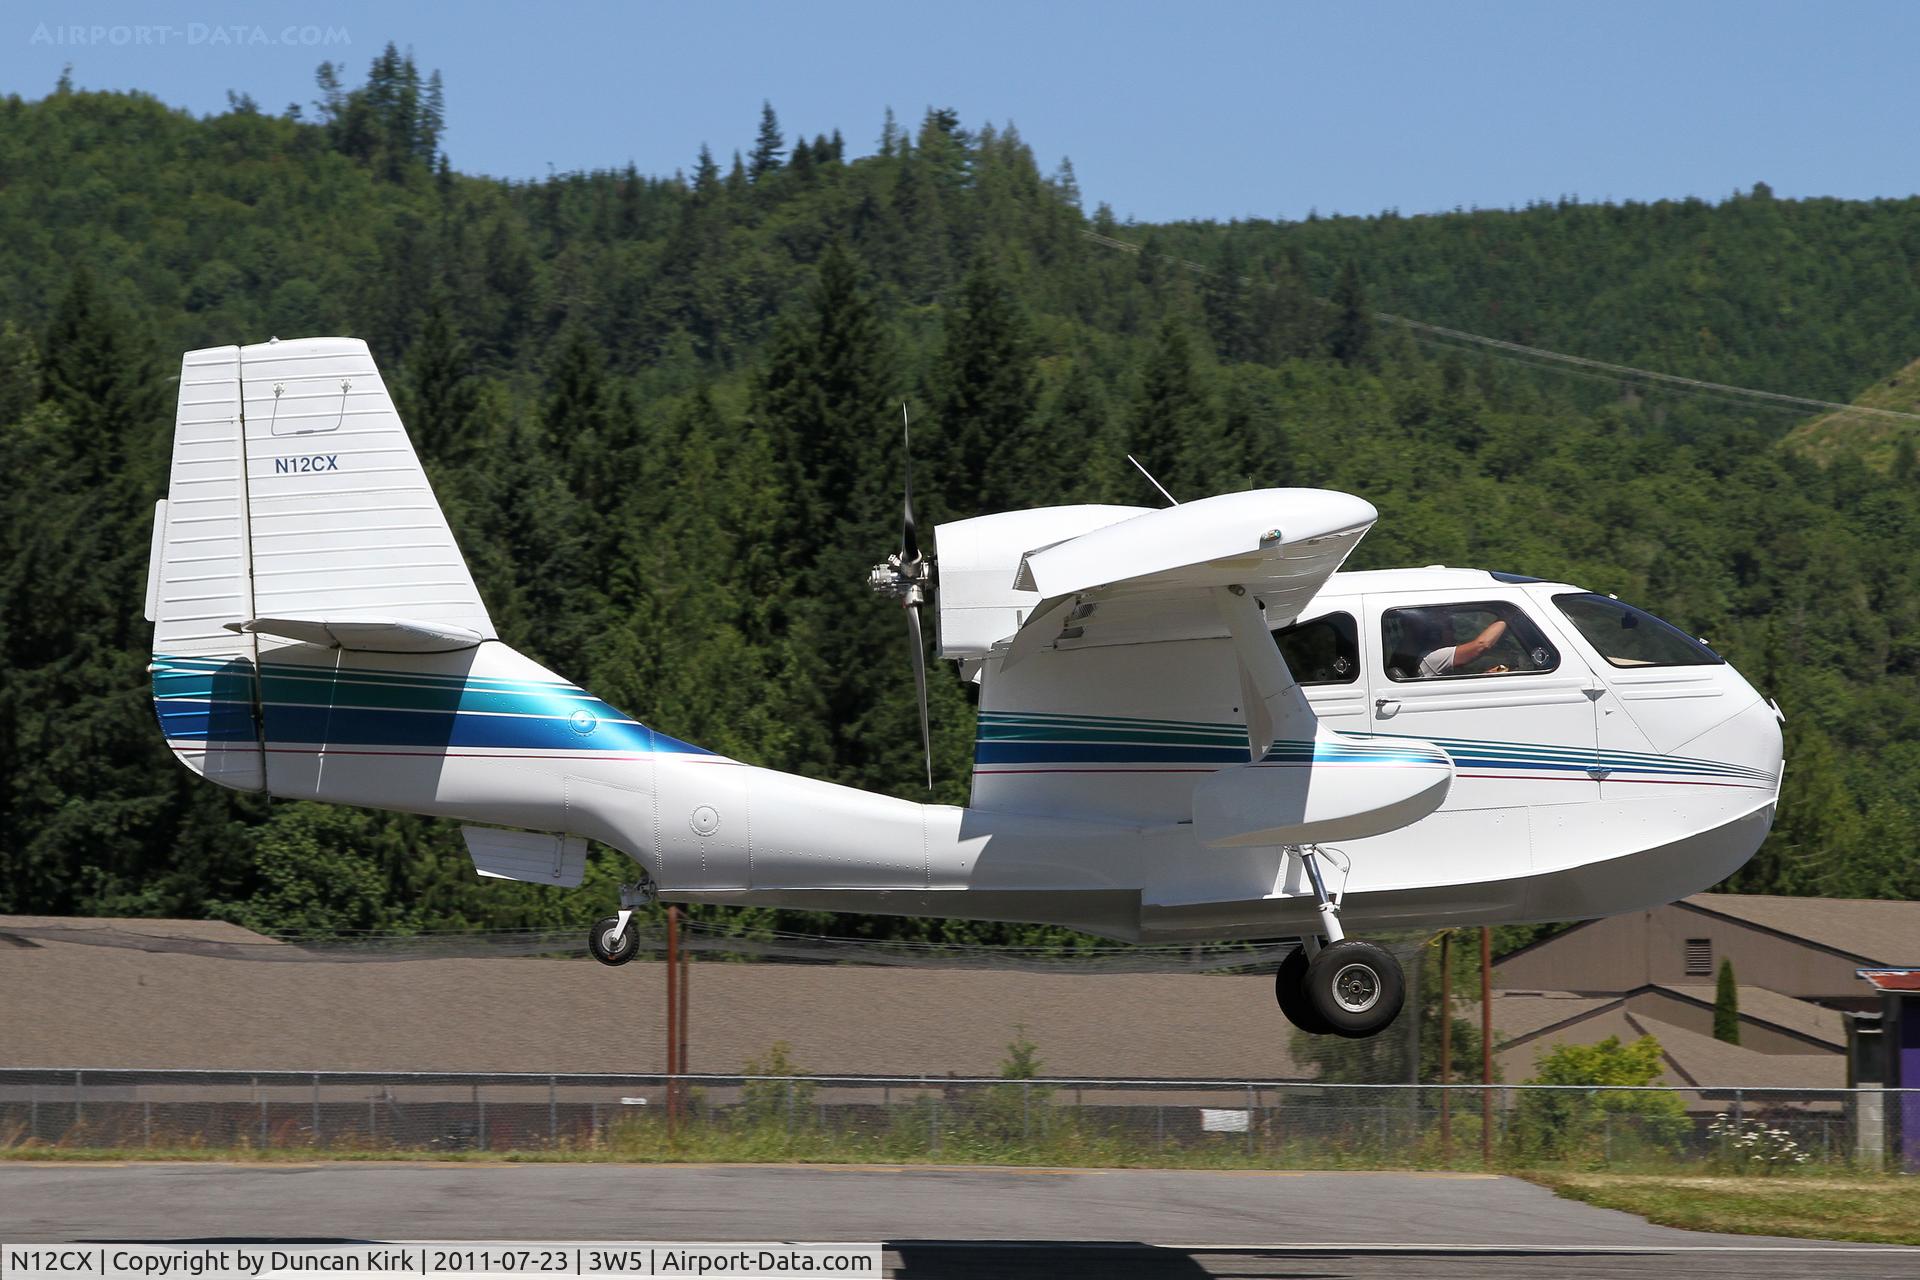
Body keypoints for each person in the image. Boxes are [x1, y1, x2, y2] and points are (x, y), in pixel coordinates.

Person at [1418, 615, 1508, 678]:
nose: (1454, 631)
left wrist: (1486, 674)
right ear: (1436, 633)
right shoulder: (1433, 657)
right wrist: (1506, 616)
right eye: (1450, 628)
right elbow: (1482, 645)